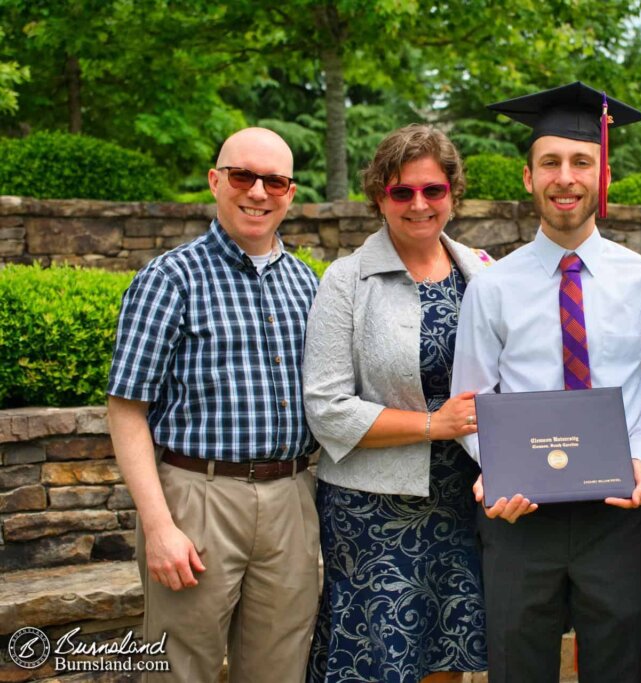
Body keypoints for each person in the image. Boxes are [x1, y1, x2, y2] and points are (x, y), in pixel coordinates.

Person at [450, 82, 641, 683]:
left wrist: (639, 459)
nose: (566, 177)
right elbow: (471, 404)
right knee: (518, 668)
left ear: (604, 174)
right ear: (528, 177)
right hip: (519, 517)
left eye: (582, 162)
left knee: (617, 669)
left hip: (616, 511)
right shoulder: (491, 288)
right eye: (550, 162)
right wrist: (500, 468)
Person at [107, 127, 320, 683]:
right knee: (179, 670)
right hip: (196, 500)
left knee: (281, 670)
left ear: (290, 193)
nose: (258, 192)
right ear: (216, 180)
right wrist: (158, 527)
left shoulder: (306, 284)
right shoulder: (168, 279)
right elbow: (127, 410)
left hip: (291, 498)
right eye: (243, 176)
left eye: (274, 180)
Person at [302, 124, 491, 683]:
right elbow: (327, 407)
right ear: (379, 197)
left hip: (462, 500)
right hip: (372, 510)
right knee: (378, 662)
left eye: (433, 190)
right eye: (401, 191)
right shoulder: (346, 282)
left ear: (453, 195)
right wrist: (434, 425)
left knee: (446, 652)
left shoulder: (482, 274)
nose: (418, 204)